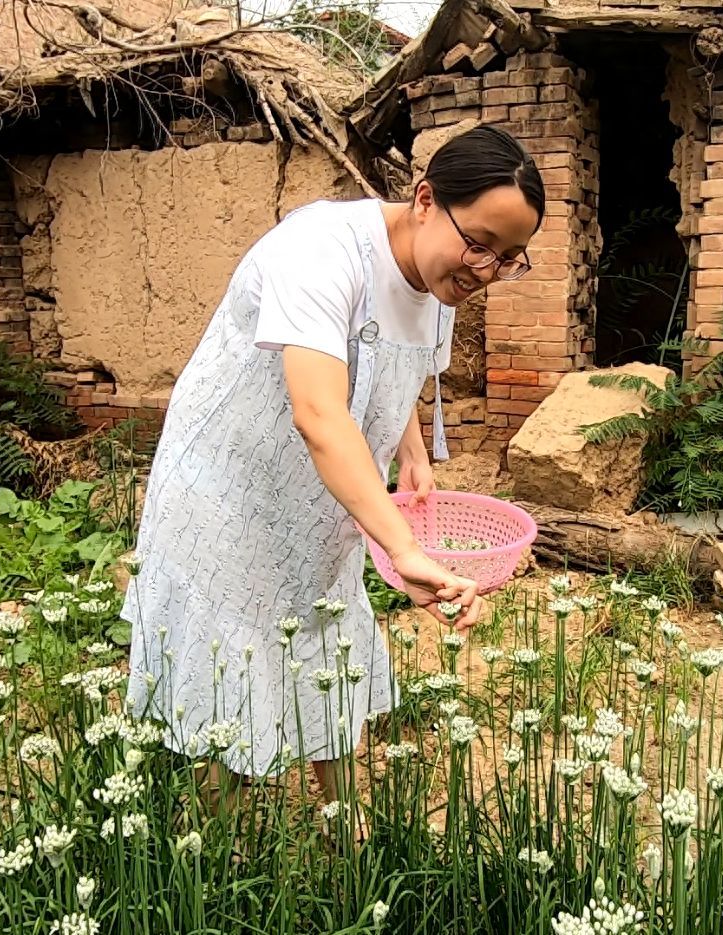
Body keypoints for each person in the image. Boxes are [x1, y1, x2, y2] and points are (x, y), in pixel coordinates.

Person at [122, 125, 545, 816]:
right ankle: (217, 858)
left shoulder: (441, 279)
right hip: (230, 486)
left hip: (324, 493)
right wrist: (402, 549)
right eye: (479, 243)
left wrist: (410, 452)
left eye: (508, 258)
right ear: (425, 199)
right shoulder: (320, 249)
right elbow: (319, 412)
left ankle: (344, 828)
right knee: (241, 658)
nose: (486, 269)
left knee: (325, 637)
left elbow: (394, 366)